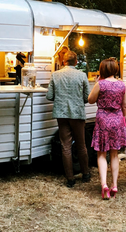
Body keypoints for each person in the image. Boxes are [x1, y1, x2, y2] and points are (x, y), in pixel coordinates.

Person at [46, 50, 91, 188]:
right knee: (81, 145)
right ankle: (85, 174)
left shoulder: (55, 75)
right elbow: (87, 97)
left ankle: (70, 178)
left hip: (61, 113)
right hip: (77, 113)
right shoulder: (82, 75)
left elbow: (49, 96)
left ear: (63, 61)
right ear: (76, 62)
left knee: (65, 146)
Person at [88, 58, 126, 199]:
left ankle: (104, 184)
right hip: (117, 119)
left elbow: (90, 100)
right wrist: (122, 117)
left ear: (102, 70)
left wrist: (96, 84)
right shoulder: (123, 85)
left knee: (101, 153)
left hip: (103, 119)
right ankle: (115, 184)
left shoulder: (100, 84)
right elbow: (124, 105)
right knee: (114, 154)